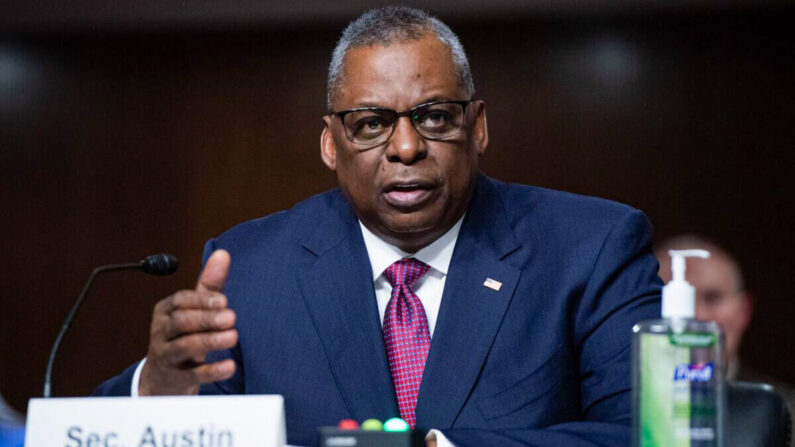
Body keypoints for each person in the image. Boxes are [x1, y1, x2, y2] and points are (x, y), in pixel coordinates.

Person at [94, 7, 661, 447]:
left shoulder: (590, 247)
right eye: (370, 124)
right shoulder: (252, 268)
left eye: (435, 117)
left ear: (478, 126)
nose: (407, 147)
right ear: (329, 145)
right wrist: (160, 388)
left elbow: (651, 433)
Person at [656, 234, 794, 445]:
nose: (697, 316)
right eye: (670, 299)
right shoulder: (614, 410)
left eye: (713, 298)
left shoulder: (786, 410)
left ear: (744, 310)